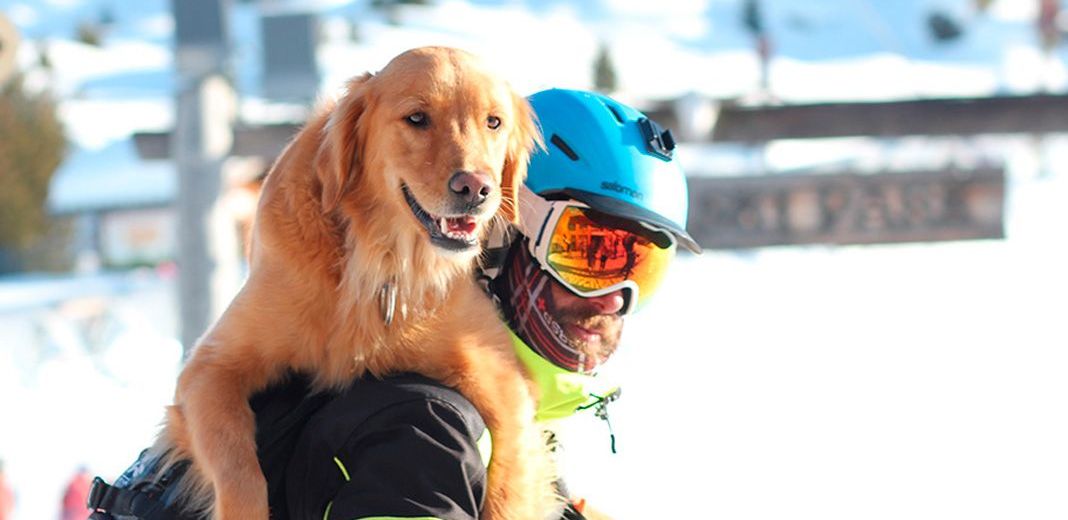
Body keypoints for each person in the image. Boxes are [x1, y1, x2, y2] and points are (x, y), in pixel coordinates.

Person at [87, 89, 700, 520]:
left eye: (641, 266)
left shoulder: (501, 430)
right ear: (496, 231)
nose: (612, 298)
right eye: (587, 252)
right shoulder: (424, 436)